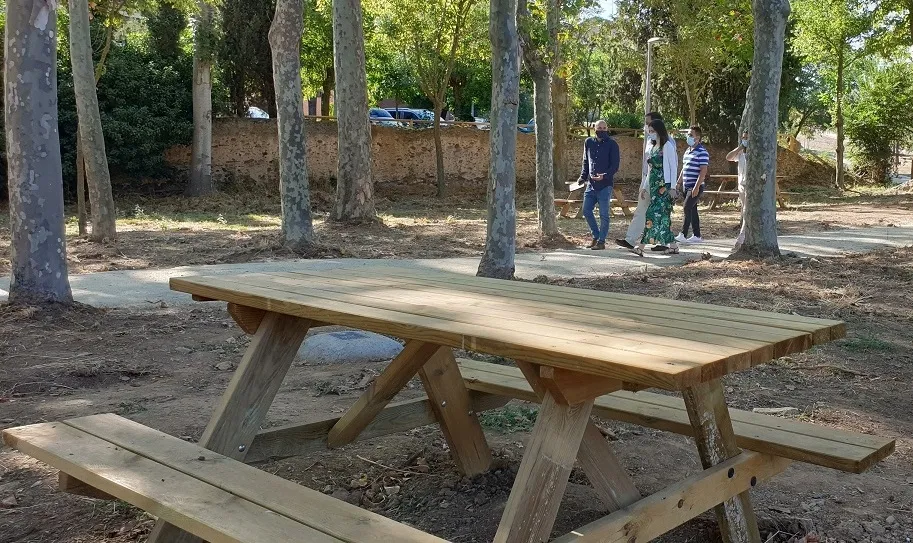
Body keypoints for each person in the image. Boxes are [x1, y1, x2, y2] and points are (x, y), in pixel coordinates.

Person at [630, 119, 679, 256]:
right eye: (649, 132)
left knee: (652, 214)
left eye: (652, 131)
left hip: (664, 186)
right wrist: (645, 187)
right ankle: (674, 246)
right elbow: (650, 170)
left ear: (659, 131)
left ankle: (641, 246)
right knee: (663, 217)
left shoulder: (667, 146)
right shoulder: (652, 148)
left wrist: (673, 187)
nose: (650, 134)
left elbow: (673, 167)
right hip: (653, 185)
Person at [616, 111, 664, 249]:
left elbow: (670, 165)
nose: (646, 126)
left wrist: (669, 185)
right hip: (648, 179)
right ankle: (630, 240)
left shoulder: (667, 142)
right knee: (641, 210)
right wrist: (644, 182)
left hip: (659, 182)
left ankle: (665, 242)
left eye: (648, 123)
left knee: (659, 211)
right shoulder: (650, 141)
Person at [577, 119, 620, 250]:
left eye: (604, 128)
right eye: (599, 128)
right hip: (591, 184)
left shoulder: (612, 144)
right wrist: (582, 177)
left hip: (605, 185)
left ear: (607, 129)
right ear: (594, 129)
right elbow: (586, 161)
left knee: (604, 214)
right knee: (586, 210)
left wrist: (605, 176)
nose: (601, 130)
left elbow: (615, 166)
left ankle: (602, 241)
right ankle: (596, 235)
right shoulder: (588, 142)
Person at [675, 125, 709, 244]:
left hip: (695, 186)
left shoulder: (702, 152)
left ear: (697, 138)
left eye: (691, 135)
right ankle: (697, 235)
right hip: (686, 185)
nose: (688, 137)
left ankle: (683, 234)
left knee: (686, 207)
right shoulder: (687, 151)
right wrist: (679, 182)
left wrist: (696, 187)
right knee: (693, 209)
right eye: (688, 134)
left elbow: (703, 171)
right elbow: (684, 168)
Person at [726, 131, 749, 250]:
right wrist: (741, 147)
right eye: (743, 138)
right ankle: (743, 238)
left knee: (747, 212)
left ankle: (741, 239)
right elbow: (728, 157)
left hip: (751, 187)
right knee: (744, 211)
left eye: (747, 138)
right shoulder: (740, 153)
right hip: (742, 186)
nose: (744, 139)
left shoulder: (755, 153)